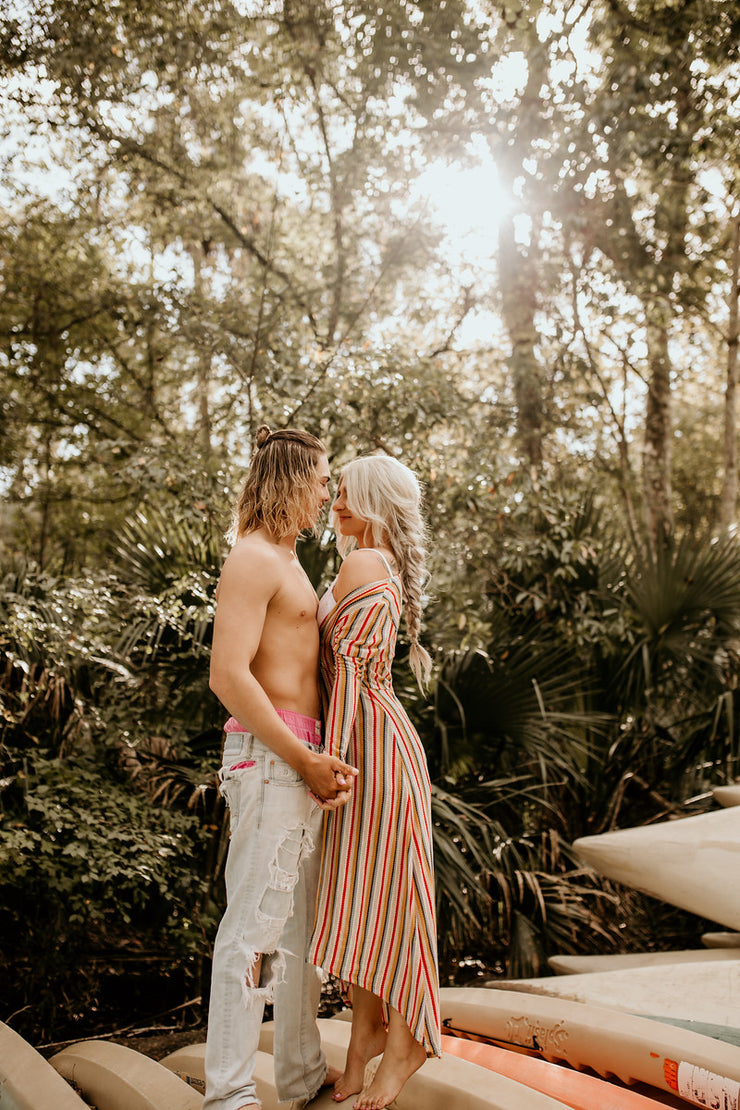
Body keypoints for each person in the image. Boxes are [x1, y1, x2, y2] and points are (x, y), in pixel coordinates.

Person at [204, 424, 358, 1110]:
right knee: (251, 935)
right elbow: (228, 677)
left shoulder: (294, 562)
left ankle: (298, 1075)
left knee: (300, 936)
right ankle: (230, 1096)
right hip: (270, 762)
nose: (328, 492)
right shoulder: (254, 559)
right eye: (323, 479)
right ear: (295, 477)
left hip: (302, 763)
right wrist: (302, 758)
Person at [308, 454, 441, 1110]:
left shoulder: (364, 562)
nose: (334, 505)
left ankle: (407, 1040)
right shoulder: (370, 562)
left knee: (386, 902)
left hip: (371, 750)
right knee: (367, 904)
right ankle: (363, 1040)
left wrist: (328, 761)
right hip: (369, 743)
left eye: (346, 496)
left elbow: (351, 679)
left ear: (375, 503)